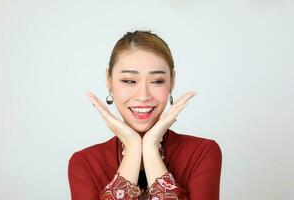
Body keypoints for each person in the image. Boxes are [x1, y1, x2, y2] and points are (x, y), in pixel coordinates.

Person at [68, 30, 222, 200]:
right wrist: (134, 148)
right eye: (129, 81)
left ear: (172, 81)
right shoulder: (84, 163)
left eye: (157, 81)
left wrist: (150, 148)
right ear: (109, 81)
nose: (143, 96)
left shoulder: (202, 153)